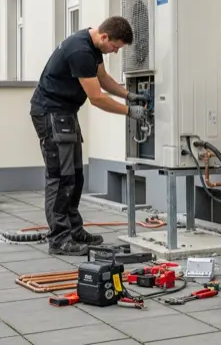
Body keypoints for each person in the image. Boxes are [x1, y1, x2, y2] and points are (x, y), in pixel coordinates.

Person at [29, 16, 148, 256]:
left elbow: (103, 80)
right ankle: (59, 239)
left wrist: (128, 95)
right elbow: (96, 98)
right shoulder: (80, 50)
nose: (115, 52)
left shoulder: (92, 47)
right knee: (61, 178)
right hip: (51, 114)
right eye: (115, 47)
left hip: (66, 114)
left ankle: (74, 230)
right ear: (104, 37)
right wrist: (129, 112)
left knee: (76, 176)